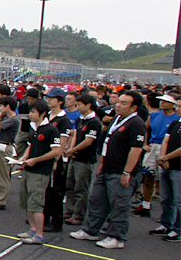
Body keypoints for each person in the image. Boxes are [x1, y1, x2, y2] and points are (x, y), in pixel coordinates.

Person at [70, 90, 147, 249]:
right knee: (97, 200)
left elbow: (136, 149)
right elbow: (107, 142)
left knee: (119, 205)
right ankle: (91, 230)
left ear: (133, 107)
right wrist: (102, 164)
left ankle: (116, 237)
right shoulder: (117, 119)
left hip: (121, 171)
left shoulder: (136, 123)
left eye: (124, 103)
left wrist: (127, 172)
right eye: (118, 102)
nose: (118, 105)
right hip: (107, 168)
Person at [15, 99, 62, 244]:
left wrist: (36, 160)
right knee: (28, 201)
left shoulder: (51, 130)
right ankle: (33, 229)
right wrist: (24, 158)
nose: (30, 114)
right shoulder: (34, 128)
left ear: (42, 114)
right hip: (29, 169)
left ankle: (39, 235)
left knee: (36, 203)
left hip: (40, 172)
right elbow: (30, 146)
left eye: (33, 112)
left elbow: (56, 151)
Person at [134, 91, 178, 216]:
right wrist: (145, 144)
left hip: (168, 149)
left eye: (166, 101)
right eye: (161, 100)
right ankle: (145, 205)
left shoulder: (177, 118)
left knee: (166, 180)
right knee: (148, 176)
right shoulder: (154, 115)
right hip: (153, 147)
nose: (162, 103)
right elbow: (144, 128)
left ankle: (168, 213)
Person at [63, 93, 103, 226]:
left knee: (81, 188)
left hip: (85, 159)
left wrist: (72, 150)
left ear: (88, 105)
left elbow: (88, 141)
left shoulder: (94, 121)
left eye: (79, 105)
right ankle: (69, 210)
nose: (77, 107)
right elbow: (75, 134)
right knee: (70, 185)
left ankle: (79, 215)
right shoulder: (81, 119)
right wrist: (71, 149)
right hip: (75, 157)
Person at [43, 87, 72, 232]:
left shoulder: (63, 120)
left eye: (52, 98)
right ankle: (44, 217)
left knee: (55, 192)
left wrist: (55, 160)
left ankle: (56, 221)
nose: (48, 100)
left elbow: (62, 143)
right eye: (47, 97)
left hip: (55, 160)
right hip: (44, 157)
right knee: (45, 191)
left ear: (60, 101)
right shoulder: (47, 116)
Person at [151, 95, 180, 241]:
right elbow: (166, 140)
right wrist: (162, 157)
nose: (178, 109)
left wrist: (165, 158)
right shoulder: (175, 123)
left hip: (178, 167)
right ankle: (166, 224)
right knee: (166, 198)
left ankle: (178, 230)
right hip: (167, 164)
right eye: (178, 106)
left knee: (178, 200)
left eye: (180, 106)